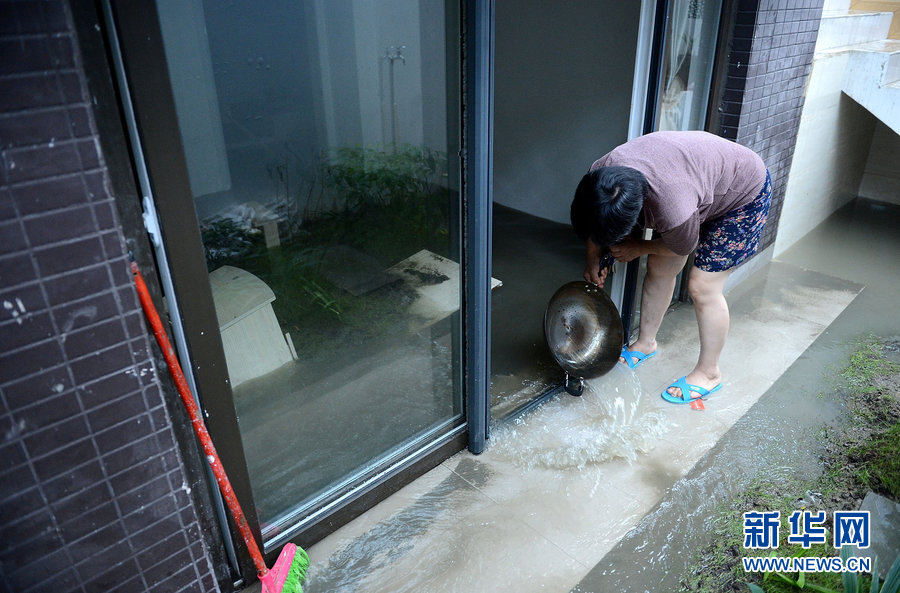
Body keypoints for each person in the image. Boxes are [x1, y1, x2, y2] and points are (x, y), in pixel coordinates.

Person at [570, 130, 771, 404]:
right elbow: (595, 224)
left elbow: (683, 246)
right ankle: (645, 344)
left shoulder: (672, 208)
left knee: (702, 286)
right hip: (698, 182)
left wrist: (638, 247)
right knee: (660, 266)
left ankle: (709, 374)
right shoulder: (601, 176)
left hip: (743, 193)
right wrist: (593, 259)